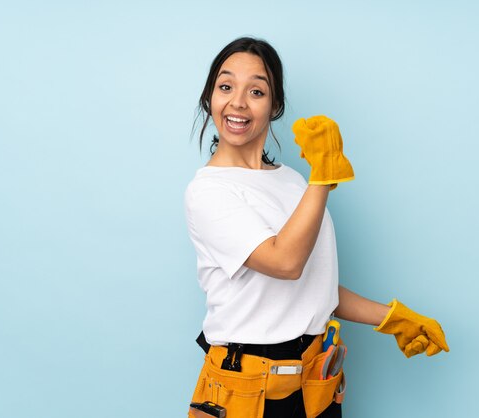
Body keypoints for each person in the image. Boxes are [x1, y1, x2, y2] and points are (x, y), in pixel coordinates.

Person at [184, 37, 449, 418]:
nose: (238, 102)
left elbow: (314, 284)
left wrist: (392, 319)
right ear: (209, 98)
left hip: (315, 384)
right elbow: (286, 263)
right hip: (248, 392)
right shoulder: (207, 192)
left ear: (274, 106)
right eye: (226, 87)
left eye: (256, 91)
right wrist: (323, 179)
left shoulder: (293, 181)